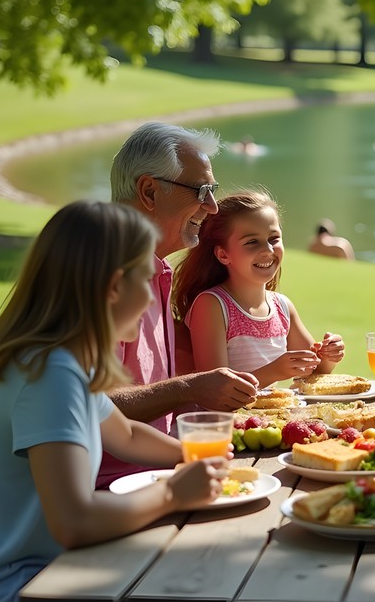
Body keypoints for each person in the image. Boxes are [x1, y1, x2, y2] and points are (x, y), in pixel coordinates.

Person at [0, 201, 299, 602]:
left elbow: (126, 434)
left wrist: (199, 456)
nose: (155, 296)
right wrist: (173, 491)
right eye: (144, 281)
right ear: (115, 288)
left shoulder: (65, 359)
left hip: (52, 581)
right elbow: (74, 521)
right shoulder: (51, 375)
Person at [100, 122, 261, 490]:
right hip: (114, 489)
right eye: (202, 190)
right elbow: (88, 405)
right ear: (149, 191)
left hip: (160, 475)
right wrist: (190, 388)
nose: (213, 206)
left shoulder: (155, 271)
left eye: (214, 191)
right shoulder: (105, 276)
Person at [172, 190, 345, 387]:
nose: (268, 250)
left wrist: (329, 356)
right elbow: (213, 387)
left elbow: (314, 372)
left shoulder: (282, 307)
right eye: (252, 242)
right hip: (227, 418)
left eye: (274, 239)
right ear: (223, 254)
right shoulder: (212, 305)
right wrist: (275, 371)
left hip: (272, 417)